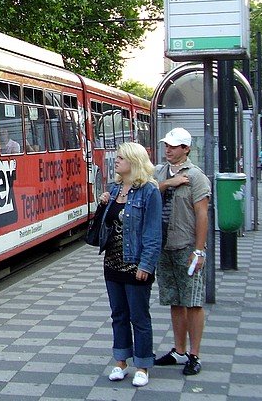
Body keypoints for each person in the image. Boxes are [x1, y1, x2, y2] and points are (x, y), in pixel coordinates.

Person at [97, 142, 162, 388]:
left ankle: (142, 365)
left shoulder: (149, 191)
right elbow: (104, 227)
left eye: (121, 157)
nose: (116, 160)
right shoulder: (114, 189)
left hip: (135, 265)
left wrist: (146, 265)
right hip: (112, 263)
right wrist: (103, 205)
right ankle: (121, 361)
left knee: (139, 317)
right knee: (119, 315)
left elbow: (153, 233)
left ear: (134, 162)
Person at [153, 127, 211, 376]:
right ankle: (179, 350)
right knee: (174, 300)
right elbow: (145, 191)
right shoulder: (158, 172)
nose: (168, 149)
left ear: (186, 149)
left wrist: (199, 250)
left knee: (193, 302)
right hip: (163, 246)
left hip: (185, 246)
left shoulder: (196, 176)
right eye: (166, 145)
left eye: (174, 146)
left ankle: (194, 354)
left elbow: (202, 214)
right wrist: (168, 183)